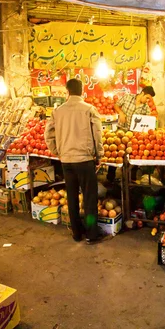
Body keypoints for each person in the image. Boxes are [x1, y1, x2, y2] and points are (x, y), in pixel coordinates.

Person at [45, 79, 105, 244]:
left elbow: (48, 133)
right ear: (82, 90)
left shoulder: (57, 111)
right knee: (89, 198)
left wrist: (56, 151)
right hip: (84, 160)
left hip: (66, 161)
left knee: (71, 196)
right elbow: (98, 134)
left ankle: (77, 233)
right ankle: (91, 234)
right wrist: (99, 154)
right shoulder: (89, 109)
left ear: (67, 91)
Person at [106, 86, 156, 183]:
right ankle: (110, 178)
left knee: (134, 156)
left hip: (134, 134)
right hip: (121, 131)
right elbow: (116, 105)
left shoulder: (146, 108)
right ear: (142, 93)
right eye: (147, 98)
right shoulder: (127, 97)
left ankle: (130, 180)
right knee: (116, 153)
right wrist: (120, 113)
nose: (147, 101)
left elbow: (148, 122)